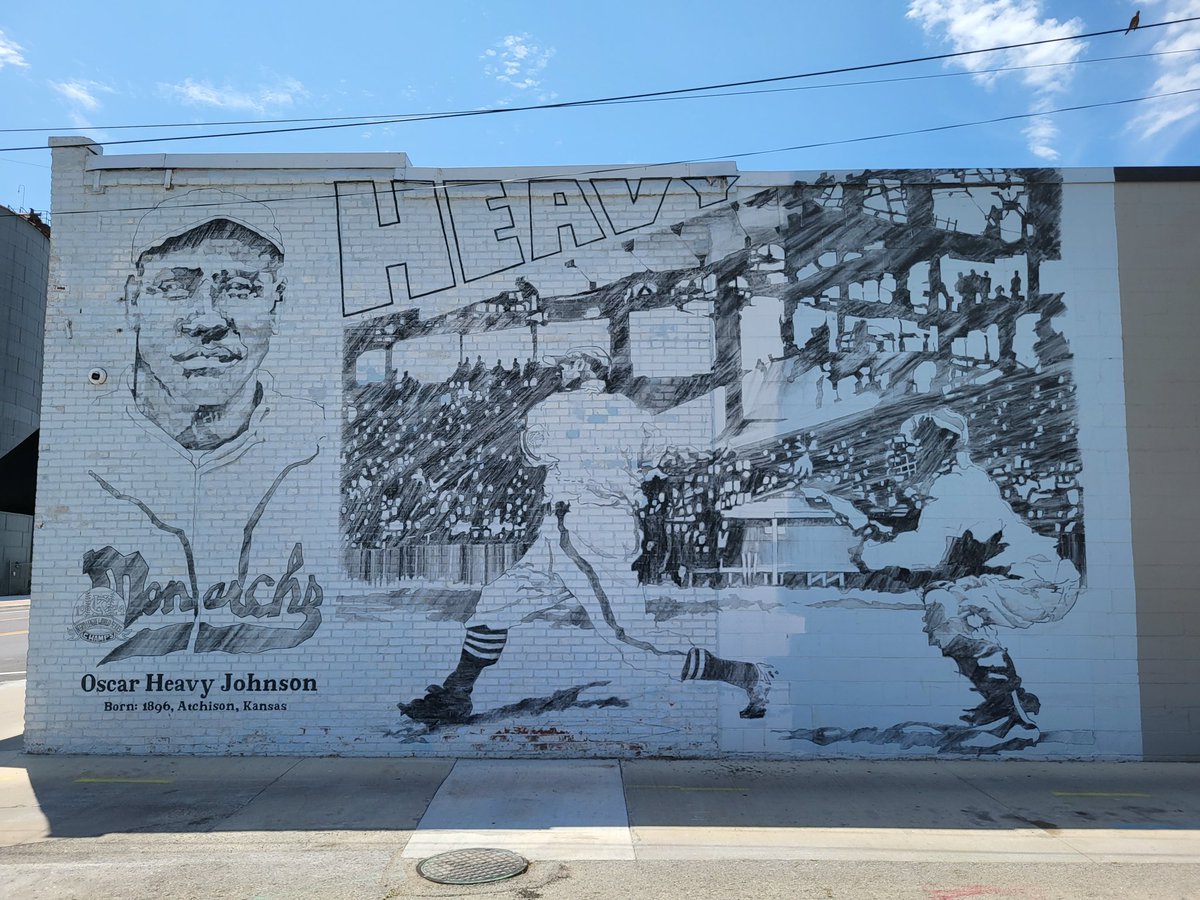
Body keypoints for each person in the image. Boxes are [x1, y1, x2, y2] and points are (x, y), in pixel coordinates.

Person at [399, 347, 773, 726]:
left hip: (585, 528)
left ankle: (746, 674)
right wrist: (707, 455)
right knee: (495, 602)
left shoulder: (553, 407)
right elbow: (668, 461)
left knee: (632, 640)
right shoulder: (630, 411)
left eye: (565, 364)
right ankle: (455, 695)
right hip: (579, 527)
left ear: (583, 367)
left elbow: (531, 452)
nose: (559, 370)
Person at [80, 189, 327, 663]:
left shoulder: (317, 442)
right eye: (174, 287)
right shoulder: (82, 451)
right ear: (133, 302)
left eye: (240, 289)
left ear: (277, 304)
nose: (209, 319)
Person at [856, 409, 1079, 747]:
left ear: (944, 444)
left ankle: (1013, 714)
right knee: (944, 601)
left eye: (917, 444)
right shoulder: (958, 481)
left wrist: (873, 554)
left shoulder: (957, 484)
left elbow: (927, 552)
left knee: (945, 605)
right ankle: (1002, 699)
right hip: (1026, 579)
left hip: (1036, 582)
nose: (910, 453)